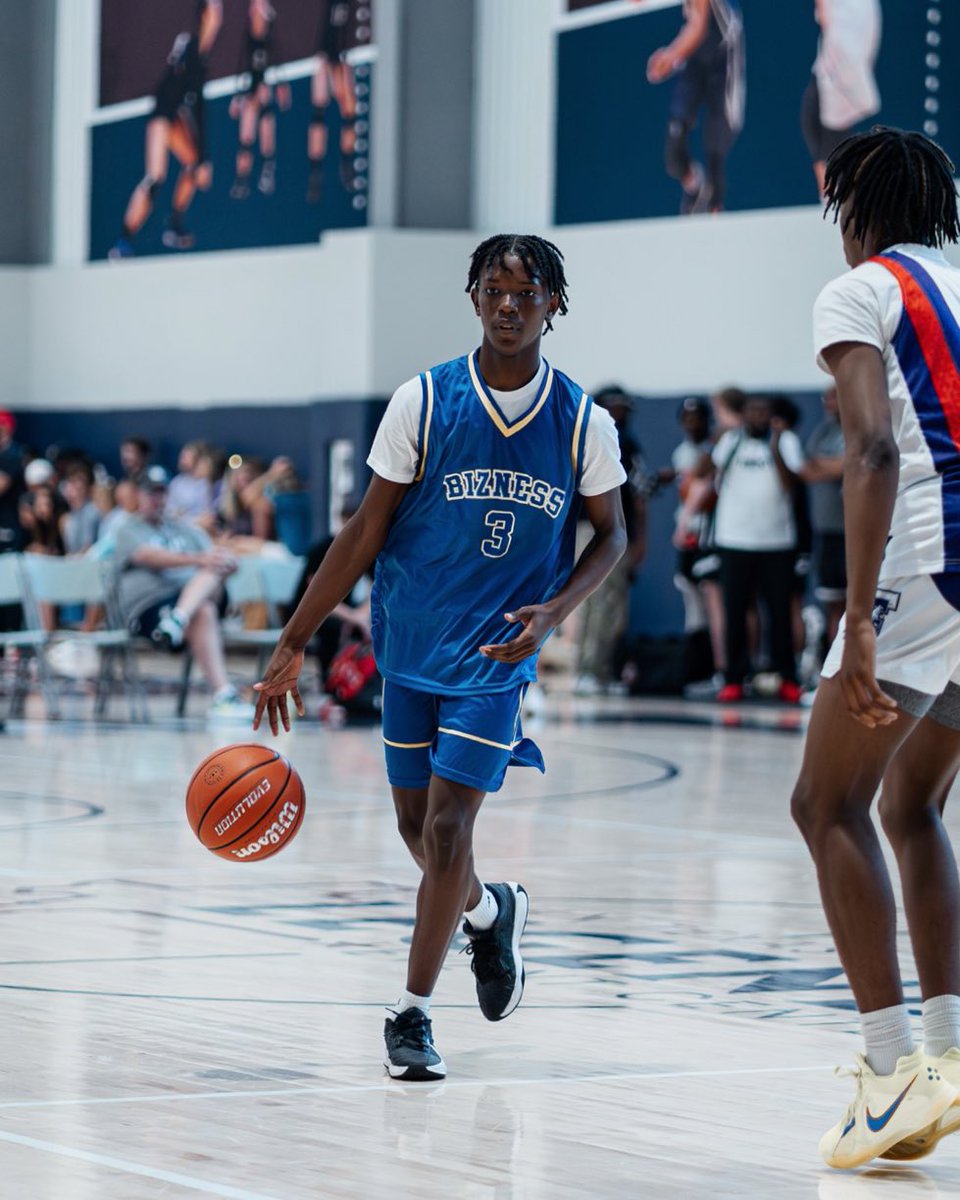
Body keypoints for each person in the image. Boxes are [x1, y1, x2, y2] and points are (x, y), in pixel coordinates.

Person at [252, 234, 627, 1081]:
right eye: (493, 290)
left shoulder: (581, 422)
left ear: (553, 307)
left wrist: (556, 612)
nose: (507, 305)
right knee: (418, 832)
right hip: (410, 647)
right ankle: (493, 914)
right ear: (472, 297)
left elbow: (614, 535)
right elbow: (362, 532)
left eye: (525, 293)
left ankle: (412, 1015)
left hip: (498, 658)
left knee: (452, 826)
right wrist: (292, 641)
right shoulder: (423, 402)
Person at [789, 126, 960, 1169]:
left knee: (827, 803)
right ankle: (947, 1059)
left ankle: (890, 1071)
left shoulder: (861, 290)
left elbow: (873, 448)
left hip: (929, 561)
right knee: (911, 804)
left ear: (854, 209)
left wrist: (857, 613)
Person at [113, 466, 252, 719]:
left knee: (212, 571)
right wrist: (199, 559)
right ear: (138, 496)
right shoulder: (126, 529)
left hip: (184, 603)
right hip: (149, 607)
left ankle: (176, 620)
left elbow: (215, 556)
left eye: (161, 493)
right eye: (151, 493)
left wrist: (228, 561)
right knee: (205, 611)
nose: (157, 499)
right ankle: (223, 694)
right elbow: (148, 556)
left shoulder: (185, 528)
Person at [109, 0, 224, 259]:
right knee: (156, 177)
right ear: (204, 16)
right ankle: (123, 240)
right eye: (214, 12)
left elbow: (194, 104)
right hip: (163, 114)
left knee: (193, 165)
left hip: (173, 114)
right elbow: (197, 106)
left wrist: (202, 159)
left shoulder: (195, 51)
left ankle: (173, 224)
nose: (218, 19)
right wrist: (205, 158)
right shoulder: (194, 47)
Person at [711, 394, 803, 703]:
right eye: (753, 412)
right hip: (734, 540)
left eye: (764, 412)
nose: (758, 417)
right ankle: (734, 679)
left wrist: (774, 447)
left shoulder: (786, 441)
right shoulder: (730, 442)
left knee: (779, 613)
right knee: (734, 612)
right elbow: (709, 473)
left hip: (777, 541)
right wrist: (721, 434)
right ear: (744, 415)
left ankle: (787, 678)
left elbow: (793, 484)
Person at [575, 385, 646, 694]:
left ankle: (599, 671)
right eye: (614, 407)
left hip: (613, 531)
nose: (620, 414)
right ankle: (588, 670)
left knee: (608, 605)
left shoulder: (627, 442)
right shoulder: (589, 437)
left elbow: (640, 497)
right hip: (589, 530)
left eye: (624, 408)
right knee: (590, 604)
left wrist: (640, 539)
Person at [646, 0, 745, 215]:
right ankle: (695, 186)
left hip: (724, 56)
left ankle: (715, 210)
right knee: (674, 151)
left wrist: (669, 57)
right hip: (697, 58)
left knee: (716, 146)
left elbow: (699, 26)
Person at [801, 0, 881, 197]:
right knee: (813, 125)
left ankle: (839, 203)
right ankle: (832, 202)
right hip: (831, 61)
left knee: (832, 141)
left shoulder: (857, 13)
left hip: (842, 64)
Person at [306, 0, 369, 204]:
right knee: (319, 113)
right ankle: (316, 173)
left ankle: (346, 164)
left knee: (348, 113)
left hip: (341, 56)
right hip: (328, 53)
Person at [229, 0, 292, 200]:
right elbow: (241, 67)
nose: (254, 12)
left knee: (266, 124)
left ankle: (267, 170)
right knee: (246, 135)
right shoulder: (248, 38)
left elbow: (277, 62)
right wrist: (238, 96)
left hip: (264, 90)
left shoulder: (269, 39)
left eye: (259, 10)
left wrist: (281, 86)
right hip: (251, 90)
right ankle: (242, 179)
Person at [801, 385, 846, 648]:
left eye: (834, 396)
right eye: (826, 397)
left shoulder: (858, 428)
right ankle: (833, 667)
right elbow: (806, 469)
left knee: (858, 604)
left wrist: (830, 465)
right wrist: (834, 465)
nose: (828, 402)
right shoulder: (823, 430)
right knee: (832, 603)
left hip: (852, 531)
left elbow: (853, 463)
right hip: (825, 530)